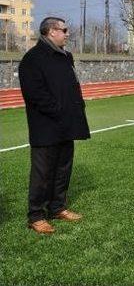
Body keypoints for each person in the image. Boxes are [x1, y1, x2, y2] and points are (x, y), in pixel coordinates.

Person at [18, 17, 90, 234]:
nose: (68, 33)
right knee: (42, 173)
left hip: (67, 124)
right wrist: (59, 111)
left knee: (63, 169)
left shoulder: (66, 56)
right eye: (64, 30)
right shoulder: (33, 59)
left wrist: (76, 109)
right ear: (50, 32)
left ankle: (58, 207)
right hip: (46, 126)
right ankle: (36, 215)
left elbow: (72, 86)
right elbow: (35, 94)